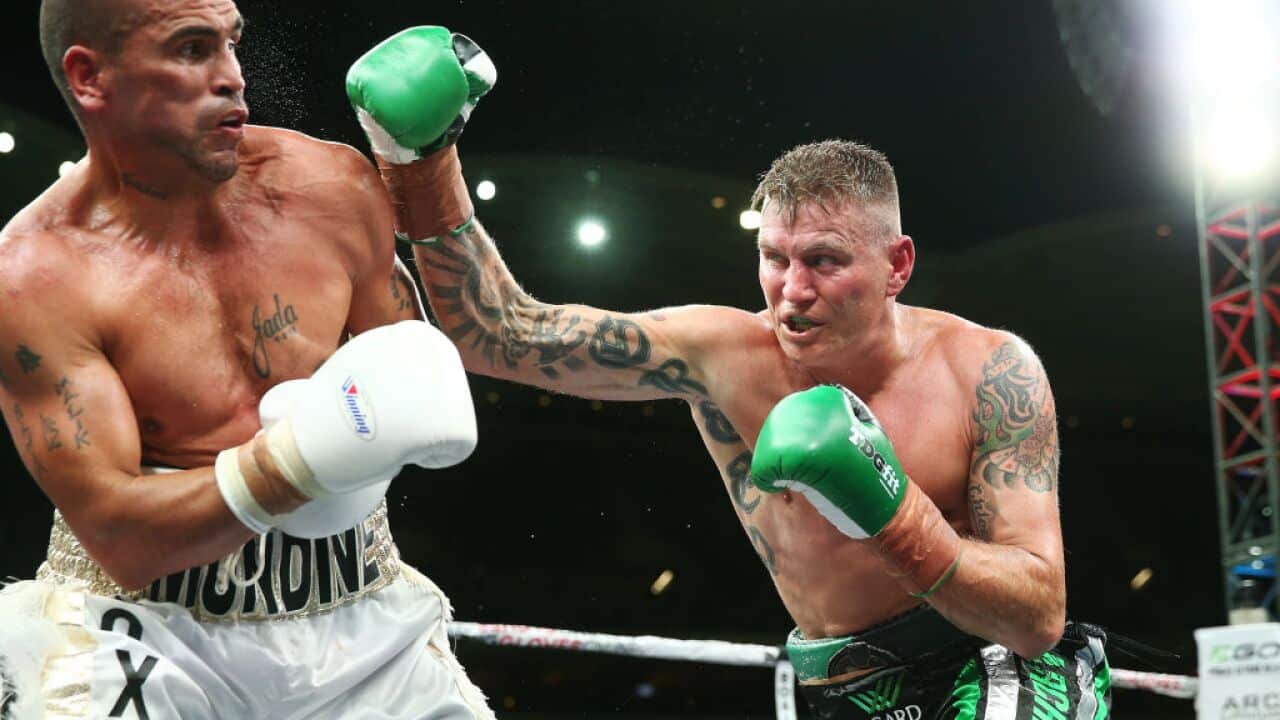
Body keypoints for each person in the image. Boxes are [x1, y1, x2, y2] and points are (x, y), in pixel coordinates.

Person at [351, 32, 1114, 719]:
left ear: (898, 266)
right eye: (775, 257)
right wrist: (419, 162)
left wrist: (893, 515)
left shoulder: (989, 370)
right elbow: (500, 336)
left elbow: (1038, 613)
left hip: (989, 667)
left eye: (824, 260)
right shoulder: (721, 355)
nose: (792, 287)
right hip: (839, 687)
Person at [0, 2, 496, 717]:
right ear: (90, 77)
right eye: (193, 49)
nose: (233, 77)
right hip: (145, 631)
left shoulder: (331, 188)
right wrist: (298, 461)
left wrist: (425, 170)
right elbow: (121, 537)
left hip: (357, 612)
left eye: (232, 43)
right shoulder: (37, 277)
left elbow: (416, 375)